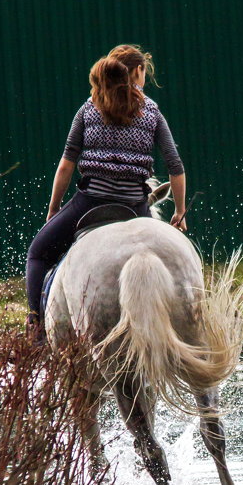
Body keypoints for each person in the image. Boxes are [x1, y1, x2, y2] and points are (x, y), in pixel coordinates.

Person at [25, 44, 187, 341]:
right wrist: (179, 211)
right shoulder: (151, 111)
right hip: (135, 205)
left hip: (90, 203)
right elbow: (175, 165)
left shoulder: (89, 109)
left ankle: (36, 332)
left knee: (37, 253)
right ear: (137, 72)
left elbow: (66, 166)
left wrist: (54, 208)